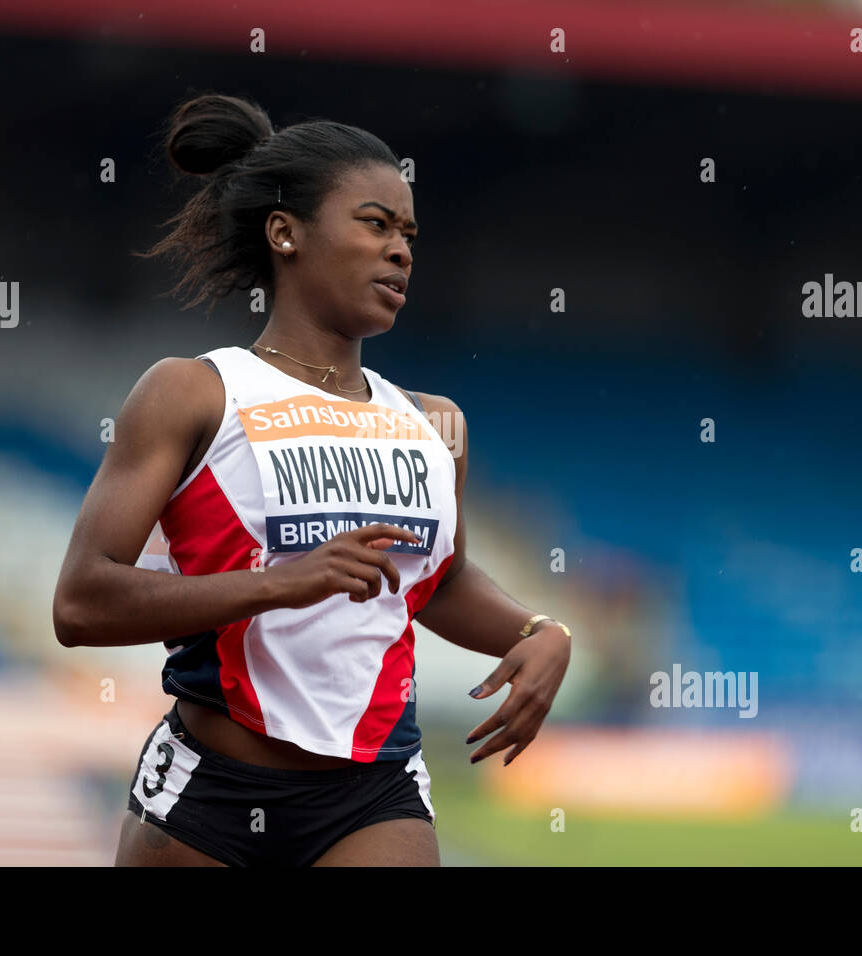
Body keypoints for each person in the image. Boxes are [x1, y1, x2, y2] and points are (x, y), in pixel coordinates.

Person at [52, 92, 572, 866]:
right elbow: (81, 602)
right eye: (375, 223)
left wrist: (538, 632)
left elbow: (438, 579)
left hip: (373, 792)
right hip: (211, 794)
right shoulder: (193, 392)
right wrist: (280, 583)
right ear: (285, 232)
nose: (401, 250)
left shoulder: (436, 423)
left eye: (409, 234)